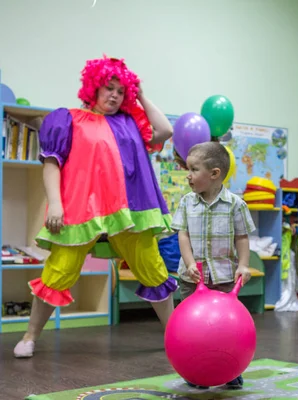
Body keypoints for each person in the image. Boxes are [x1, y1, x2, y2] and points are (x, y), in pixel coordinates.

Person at [13, 56, 177, 359]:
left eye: (120, 91)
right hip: (80, 209)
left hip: (130, 211)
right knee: (58, 271)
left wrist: (140, 94)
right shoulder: (67, 119)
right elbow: (52, 164)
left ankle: (175, 335)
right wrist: (56, 205)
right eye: (108, 88)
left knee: (152, 268)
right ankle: (30, 336)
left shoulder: (130, 123)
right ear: (94, 87)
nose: (114, 95)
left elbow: (165, 130)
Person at [172, 141, 255, 389]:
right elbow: (182, 234)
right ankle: (195, 370)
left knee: (225, 330)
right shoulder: (187, 202)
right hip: (192, 279)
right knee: (192, 330)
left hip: (224, 278)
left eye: (194, 169)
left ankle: (230, 370)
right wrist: (189, 263)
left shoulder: (236, 204)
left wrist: (243, 265)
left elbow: (242, 236)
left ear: (214, 174)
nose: (188, 175)